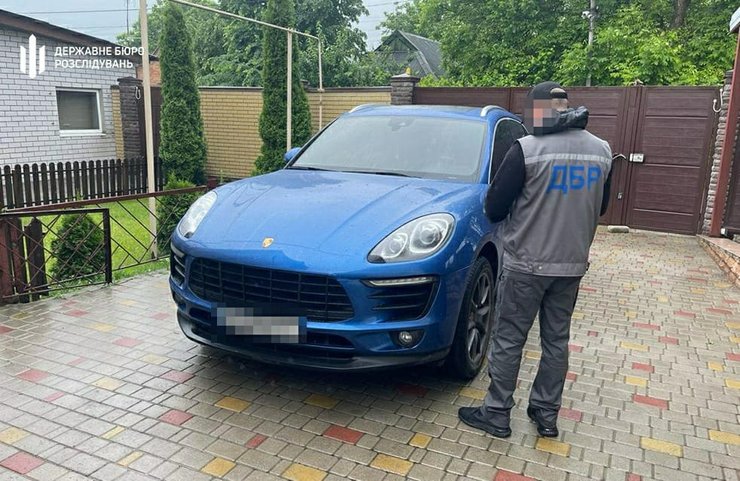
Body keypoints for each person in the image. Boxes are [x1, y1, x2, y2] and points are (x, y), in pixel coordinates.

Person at [458, 81, 613, 438]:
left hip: (525, 265)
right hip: (571, 266)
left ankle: (496, 413)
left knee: (509, 339)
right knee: (556, 341)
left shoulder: (527, 149)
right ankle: (546, 414)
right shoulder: (602, 150)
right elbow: (602, 207)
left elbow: (494, 207)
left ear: (538, 110)